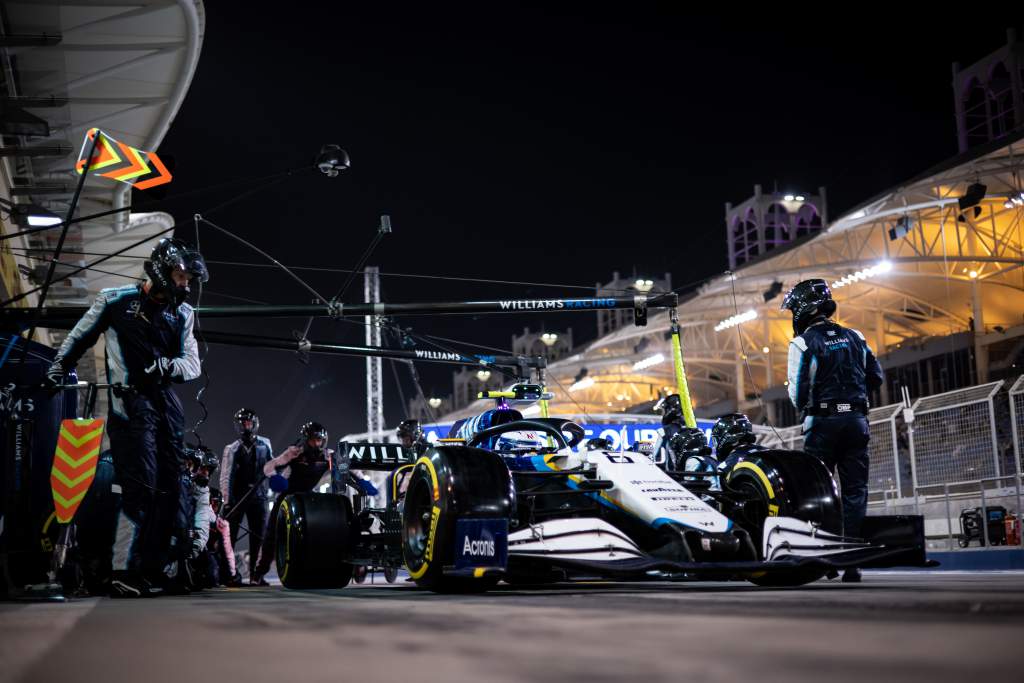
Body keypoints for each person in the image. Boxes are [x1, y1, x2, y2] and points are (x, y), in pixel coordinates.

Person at [44, 237, 207, 598]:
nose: (186, 285)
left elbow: (192, 364)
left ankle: (152, 569)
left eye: (189, 279)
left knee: (171, 487)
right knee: (140, 488)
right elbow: (80, 335)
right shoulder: (115, 299)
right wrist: (58, 368)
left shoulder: (184, 314)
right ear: (163, 271)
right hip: (129, 405)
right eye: (182, 276)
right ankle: (124, 570)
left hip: (166, 404)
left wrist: (164, 365)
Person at [782, 278, 883, 583]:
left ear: (802, 311)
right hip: (856, 422)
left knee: (819, 492)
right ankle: (852, 562)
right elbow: (875, 378)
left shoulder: (802, 343)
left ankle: (825, 560)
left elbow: (798, 397)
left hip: (822, 425)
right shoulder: (855, 336)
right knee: (855, 491)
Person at [250, 421, 333, 586]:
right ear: (306, 439)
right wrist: (274, 477)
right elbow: (269, 466)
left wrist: (362, 481)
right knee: (272, 534)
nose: (317, 443)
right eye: (313, 440)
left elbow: (348, 467)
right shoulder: (294, 452)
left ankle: (314, 569)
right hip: (287, 497)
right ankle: (258, 573)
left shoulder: (328, 455)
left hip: (308, 498)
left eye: (319, 440)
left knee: (315, 533)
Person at [219, 408, 273, 581]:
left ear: (255, 424)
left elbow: (273, 468)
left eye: (249, 423)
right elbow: (226, 476)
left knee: (259, 537)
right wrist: (227, 501)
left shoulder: (265, 444)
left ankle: (256, 576)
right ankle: (228, 573)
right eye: (243, 423)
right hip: (238, 499)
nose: (246, 426)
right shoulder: (232, 448)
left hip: (260, 497)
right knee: (230, 536)